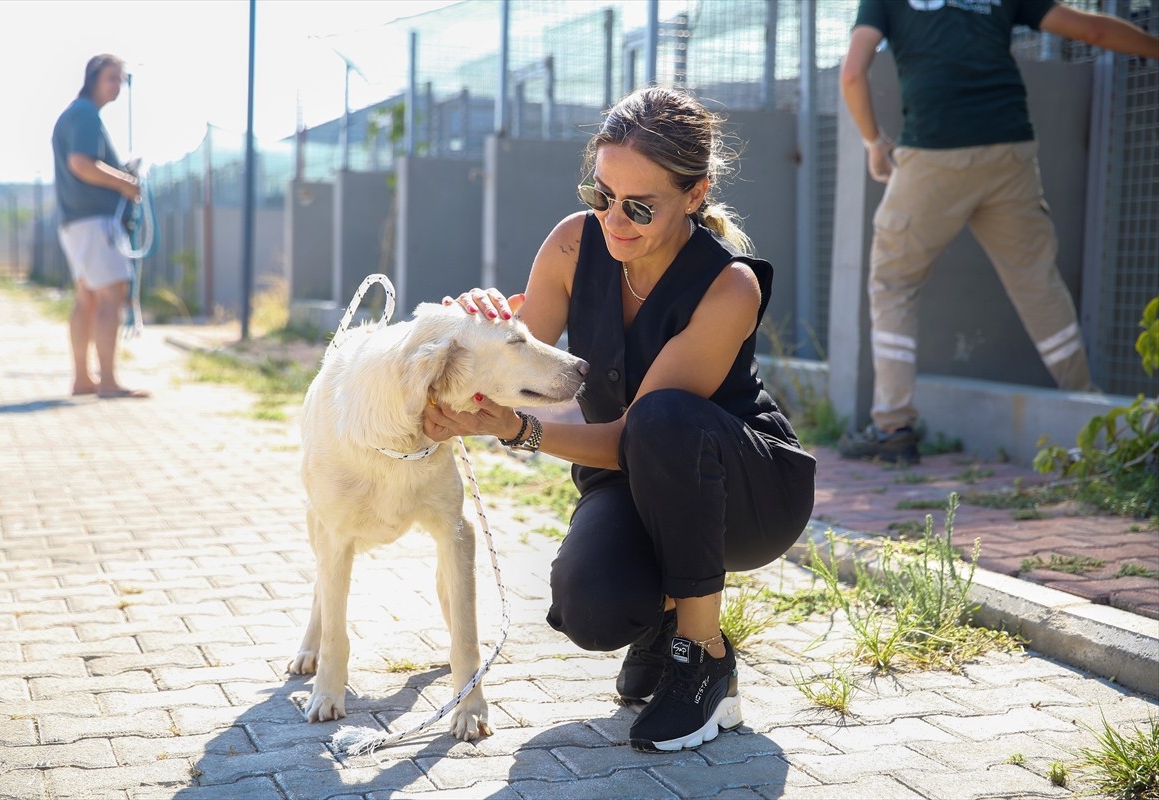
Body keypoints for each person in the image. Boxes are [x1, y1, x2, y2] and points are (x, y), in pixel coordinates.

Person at [422, 86, 817, 753]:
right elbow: (513, 374)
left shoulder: (729, 286)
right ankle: (661, 624)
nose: (615, 220)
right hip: (632, 482)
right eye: (601, 195)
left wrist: (518, 433)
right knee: (591, 607)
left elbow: (634, 435)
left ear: (695, 194)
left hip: (749, 494)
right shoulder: (573, 248)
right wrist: (468, 328)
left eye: (640, 206)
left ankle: (705, 656)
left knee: (663, 418)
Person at [837, 0, 1159, 464]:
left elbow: (852, 74)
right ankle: (1093, 413)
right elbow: (1094, 30)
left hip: (933, 152)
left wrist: (874, 142)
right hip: (1009, 150)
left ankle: (893, 426)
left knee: (894, 282)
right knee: (1037, 283)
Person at [51, 53, 149, 399]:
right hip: (94, 222)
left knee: (87, 297)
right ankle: (107, 381)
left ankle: (83, 379)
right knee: (111, 295)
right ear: (92, 78)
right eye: (112, 77)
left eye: (120, 79)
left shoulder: (73, 115)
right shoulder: (86, 114)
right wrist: (126, 182)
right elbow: (81, 163)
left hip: (75, 221)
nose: (118, 85)